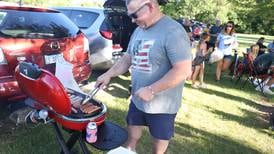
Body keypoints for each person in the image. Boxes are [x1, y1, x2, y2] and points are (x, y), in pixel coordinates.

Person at [95, 0, 192, 153]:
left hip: (162, 107)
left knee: (158, 150)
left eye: (135, 15)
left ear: (151, 6)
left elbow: (183, 69)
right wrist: (108, 74)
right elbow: (128, 58)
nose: (132, 20)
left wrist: (152, 89)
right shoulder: (139, 29)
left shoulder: (173, 31)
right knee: (131, 139)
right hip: (137, 100)